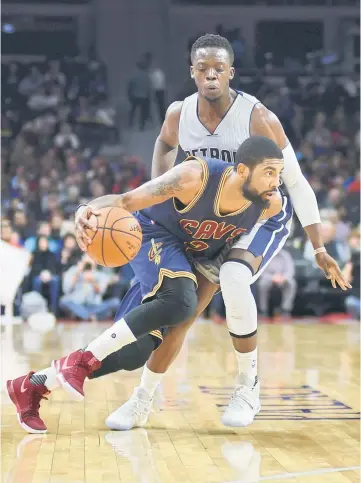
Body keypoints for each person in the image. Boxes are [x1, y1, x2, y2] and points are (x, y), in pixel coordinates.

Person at [75, 33, 347, 430]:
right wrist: (161, 196)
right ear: (192, 72)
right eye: (203, 68)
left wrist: (318, 245)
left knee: (235, 277)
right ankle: (141, 401)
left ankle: (247, 386)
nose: (212, 75)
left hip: (262, 215)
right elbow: (165, 144)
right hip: (212, 215)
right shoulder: (178, 114)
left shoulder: (258, 118)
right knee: (182, 317)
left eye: (219, 68)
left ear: (231, 72)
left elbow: (297, 181)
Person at [8, 136, 288, 433]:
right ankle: (82, 361)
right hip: (155, 235)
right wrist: (86, 210)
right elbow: (126, 201)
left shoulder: (268, 205)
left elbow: (228, 256)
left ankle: (32, 386)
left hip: (202, 256)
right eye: (269, 172)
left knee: (135, 351)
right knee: (179, 300)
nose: (276, 181)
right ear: (243, 171)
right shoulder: (193, 177)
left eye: (279, 174)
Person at [257, 248, 297, 317]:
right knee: (262, 284)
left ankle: (285, 309)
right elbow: (261, 272)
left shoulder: (286, 255)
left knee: (292, 283)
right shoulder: (265, 255)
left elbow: (290, 271)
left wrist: (283, 278)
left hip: (283, 279)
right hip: (269, 279)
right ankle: (263, 310)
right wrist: (273, 278)